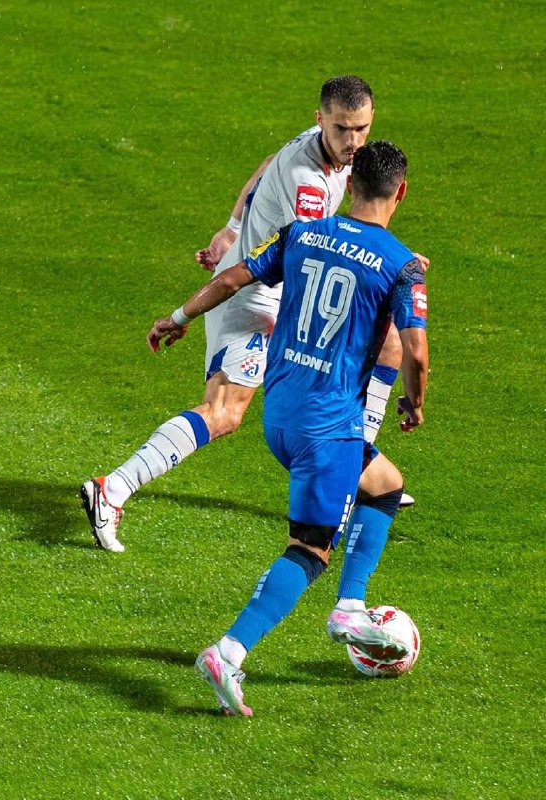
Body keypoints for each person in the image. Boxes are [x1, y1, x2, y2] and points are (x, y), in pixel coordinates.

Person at [145, 140, 428, 716]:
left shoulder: (302, 233)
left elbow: (231, 279)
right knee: (310, 549)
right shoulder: (403, 265)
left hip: (279, 414)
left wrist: (177, 318)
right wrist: (413, 403)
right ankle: (230, 650)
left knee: (384, 486)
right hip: (329, 427)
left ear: (350, 182)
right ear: (400, 191)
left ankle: (350, 605)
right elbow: (415, 351)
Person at [81, 76, 418, 554]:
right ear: (321, 119)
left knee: (389, 342)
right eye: (342, 129)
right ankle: (113, 488)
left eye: (361, 128)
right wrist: (390, 261)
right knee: (224, 411)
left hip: (273, 282)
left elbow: (266, 165)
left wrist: (233, 226)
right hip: (254, 296)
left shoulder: (322, 143)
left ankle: (350, 463)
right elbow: (315, 256)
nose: (353, 142)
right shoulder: (308, 184)